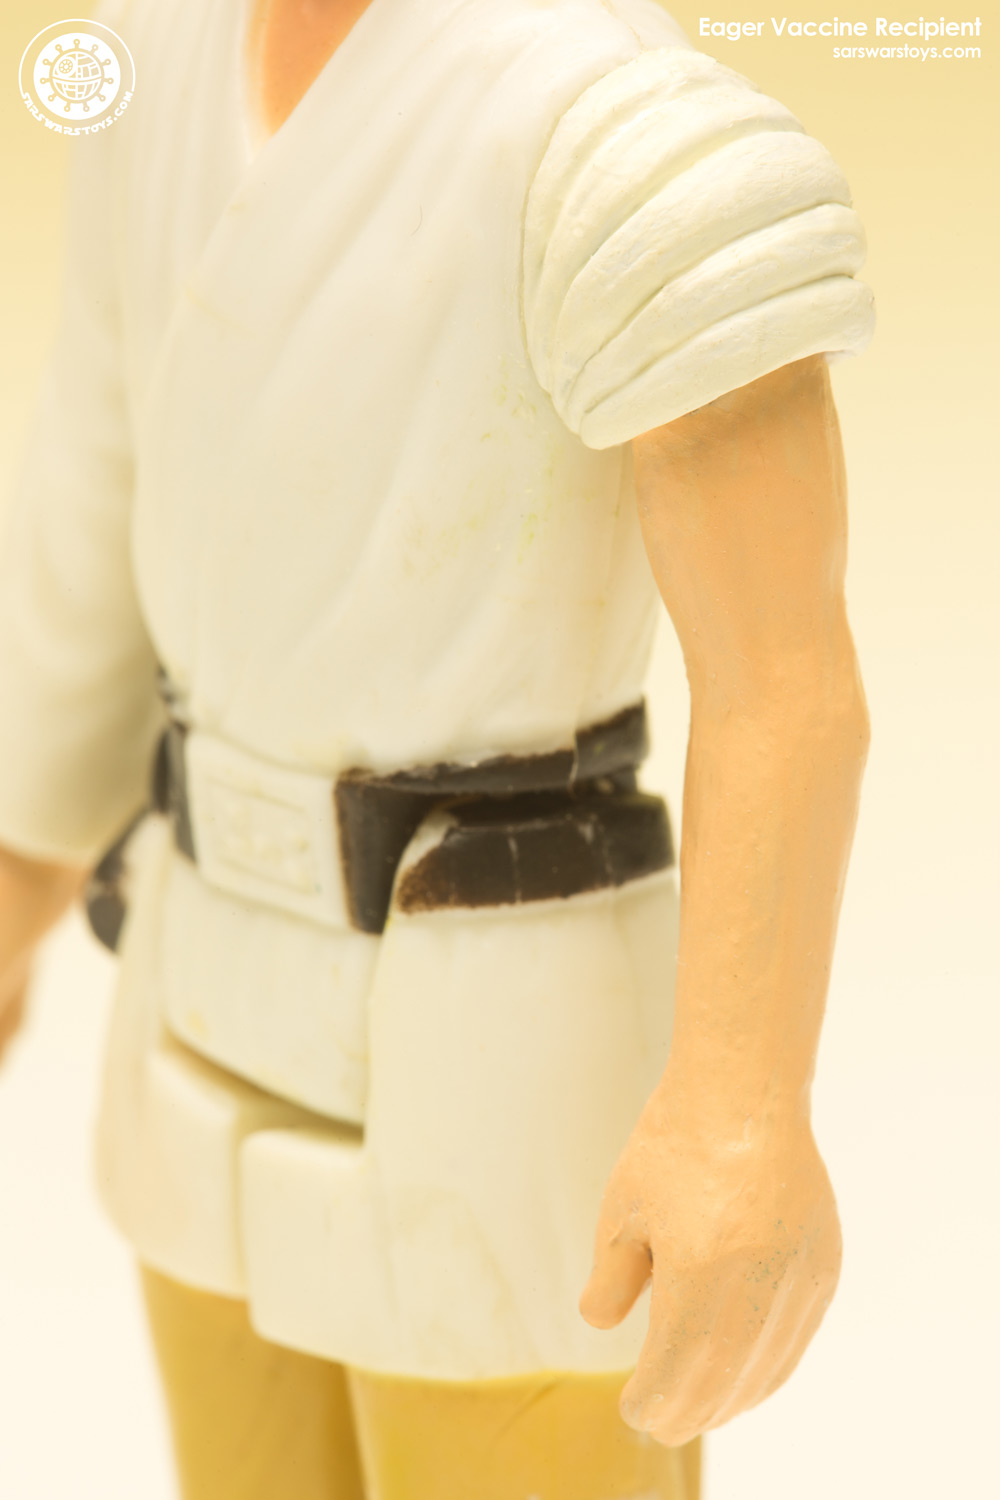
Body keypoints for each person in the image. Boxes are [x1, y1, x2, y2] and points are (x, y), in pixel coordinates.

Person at [0, 0, 872, 1495]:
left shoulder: (625, 131)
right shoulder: (152, 52)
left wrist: (743, 1105)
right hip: (203, 956)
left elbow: (781, 680)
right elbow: (97, 485)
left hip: (495, 1001)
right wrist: (24, 850)